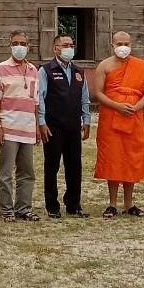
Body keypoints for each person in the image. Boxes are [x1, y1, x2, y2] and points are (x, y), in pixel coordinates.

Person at [92, 31, 144, 219]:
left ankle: (129, 203)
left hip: (133, 117)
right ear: (112, 45)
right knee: (113, 158)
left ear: (131, 44)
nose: (123, 47)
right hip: (111, 118)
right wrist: (117, 106)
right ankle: (112, 203)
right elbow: (99, 94)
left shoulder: (142, 66)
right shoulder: (104, 65)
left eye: (127, 43)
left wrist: (136, 107)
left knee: (131, 158)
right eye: (119, 43)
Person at [0, 31, 41, 222]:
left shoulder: (34, 70)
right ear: (9, 45)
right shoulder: (1, 69)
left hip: (27, 129)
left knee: (27, 172)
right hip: (8, 127)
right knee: (6, 172)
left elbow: (35, 102)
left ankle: (24, 208)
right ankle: (6, 209)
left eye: (23, 43)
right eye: (16, 43)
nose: (20, 47)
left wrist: (36, 127)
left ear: (29, 46)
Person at [37, 35, 91, 219]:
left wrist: (87, 120)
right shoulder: (46, 70)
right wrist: (41, 122)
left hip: (73, 126)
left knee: (75, 166)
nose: (69, 48)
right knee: (52, 166)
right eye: (65, 45)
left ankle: (73, 204)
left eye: (71, 45)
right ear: (55, 49)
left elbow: (85, 98)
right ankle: (52, 206)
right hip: (53, 126)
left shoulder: (78, 71)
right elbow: (40, 98)